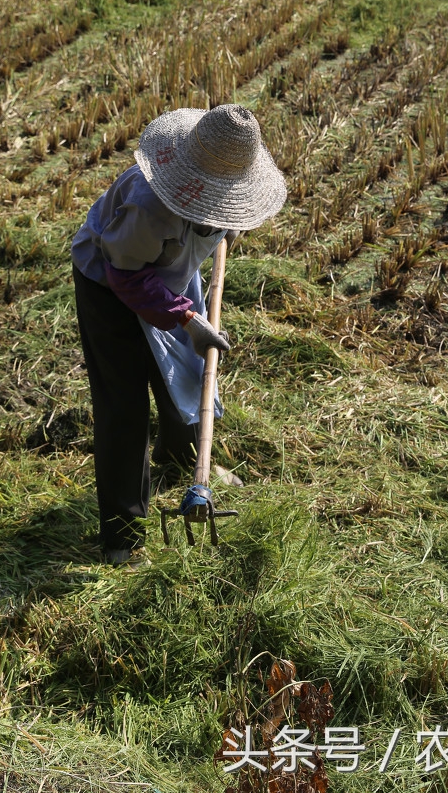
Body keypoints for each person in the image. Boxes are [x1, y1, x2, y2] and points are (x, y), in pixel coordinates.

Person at [71, 103, 287, 567]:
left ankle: (184, 457)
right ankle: (122, 537)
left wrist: (187, 314)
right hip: (110, 284)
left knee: (182, 373)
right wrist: (187, 321)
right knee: (124, 405)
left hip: (167, 274)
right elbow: (125, 276)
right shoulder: (150, 208)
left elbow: (216, 230)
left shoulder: (224, 193)